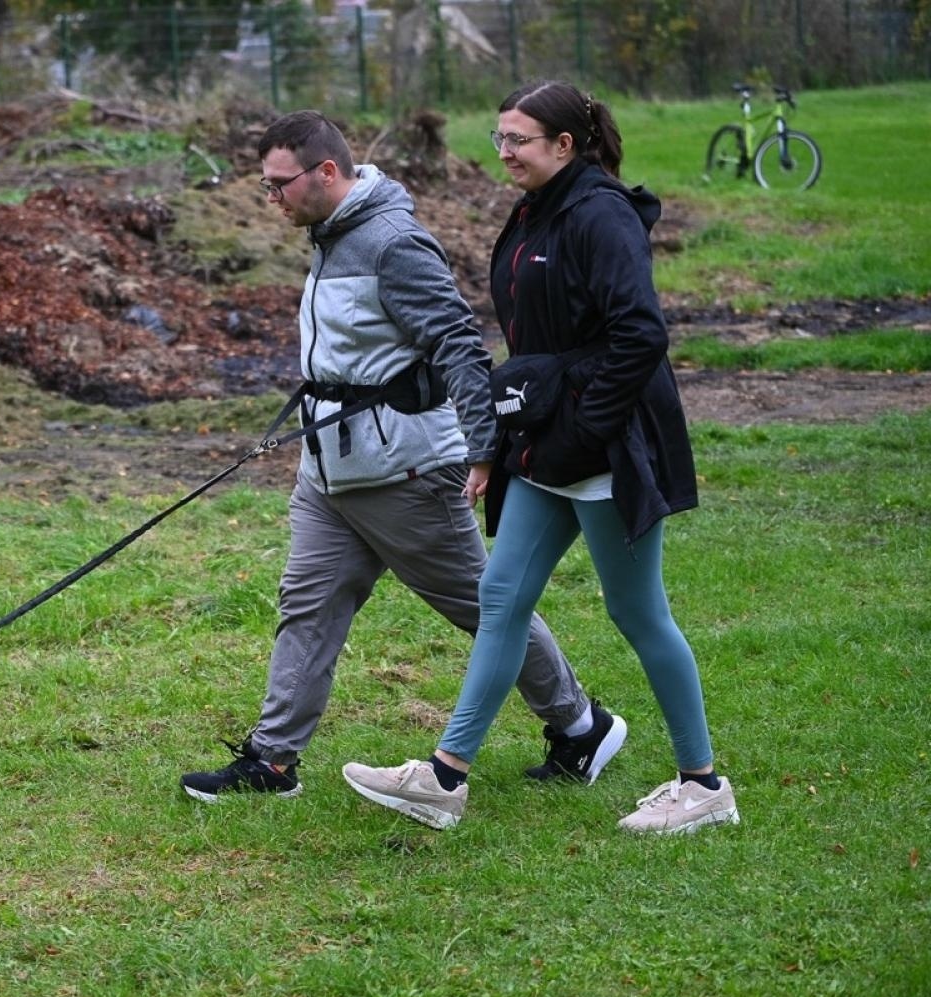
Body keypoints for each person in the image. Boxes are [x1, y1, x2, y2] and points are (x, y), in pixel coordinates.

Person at [180, 110, 622, 802]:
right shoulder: (328, 232)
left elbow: (458, 344)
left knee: (485, 607)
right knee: (309, 603)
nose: (272, 199)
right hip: (331, 469)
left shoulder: (392, 242)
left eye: (279, 185)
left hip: (406, 473)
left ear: (327, 172)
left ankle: (581, 724)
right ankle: (272, 761)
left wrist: (484, 447)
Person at [342, 82, 739, 835]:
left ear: (564, 145)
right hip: (545, 445)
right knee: (502, 596)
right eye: (498, 137)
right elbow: (533, 349)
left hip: (604, 443)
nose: (503, 152)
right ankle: (445, 775)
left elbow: (640, 336)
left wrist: (584, 430)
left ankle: (704, 784)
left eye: (517, 139)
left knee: (636, 610)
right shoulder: (532, 213)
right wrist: (503, 443)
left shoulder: (601, 214)